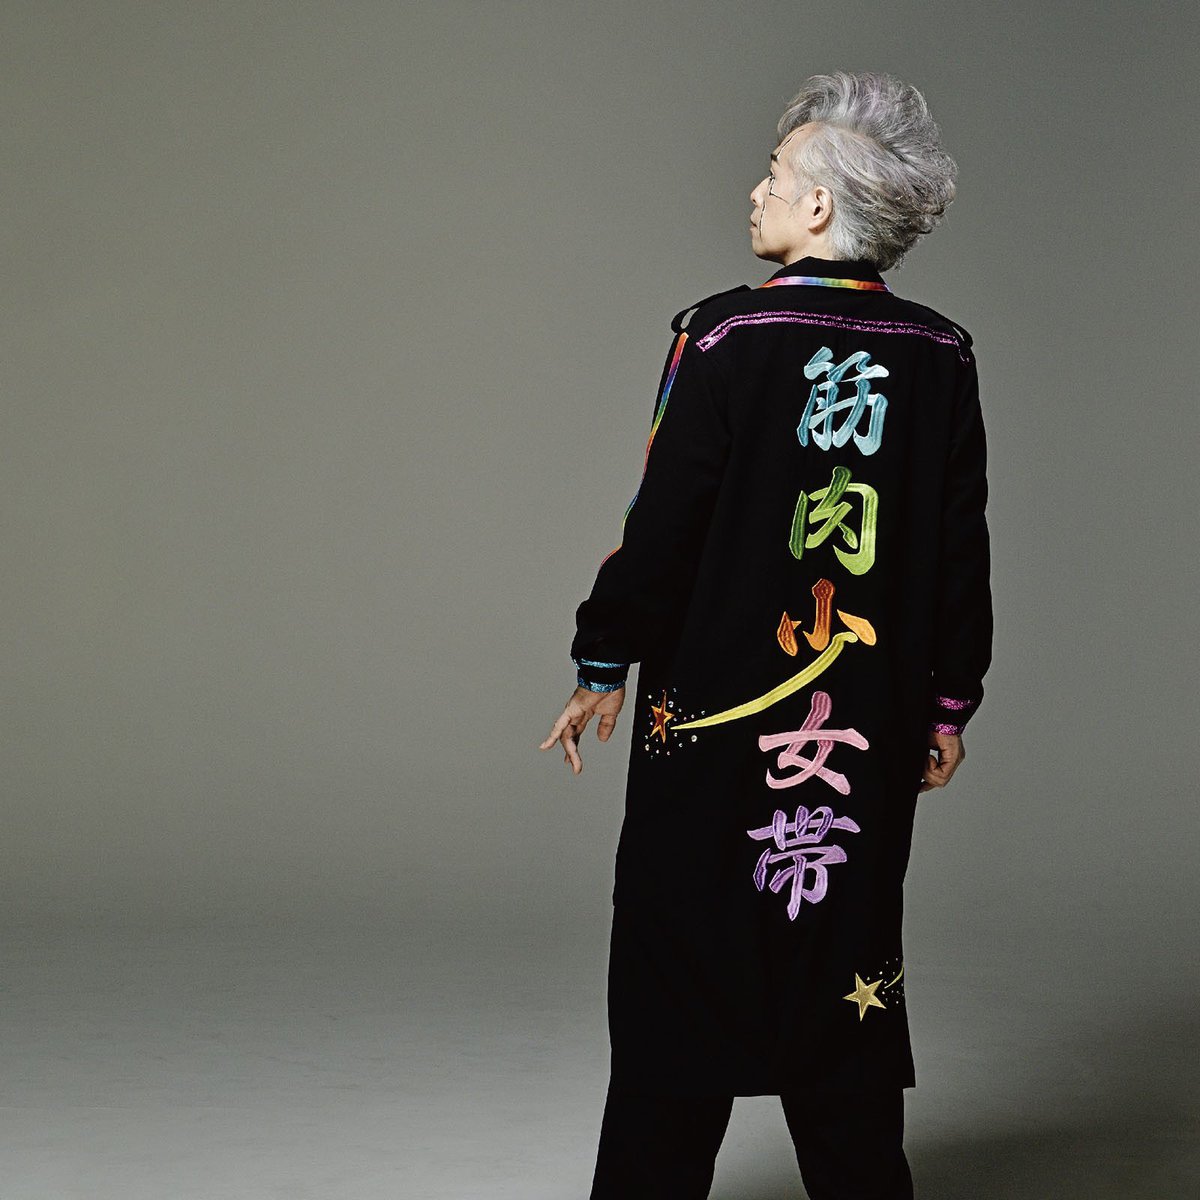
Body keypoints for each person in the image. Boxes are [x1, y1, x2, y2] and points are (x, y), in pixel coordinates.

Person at [539, 70, 993, 1199]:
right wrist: (948, 703)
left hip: (712, 725)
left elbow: (664, 523)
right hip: (860, 730)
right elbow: (958, 546)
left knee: (680, 962)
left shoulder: (725, 335)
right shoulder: (941, 353)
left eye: (776, 174)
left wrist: (603, 656)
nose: (757, 191)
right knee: (838, 959)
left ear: (821, 206)